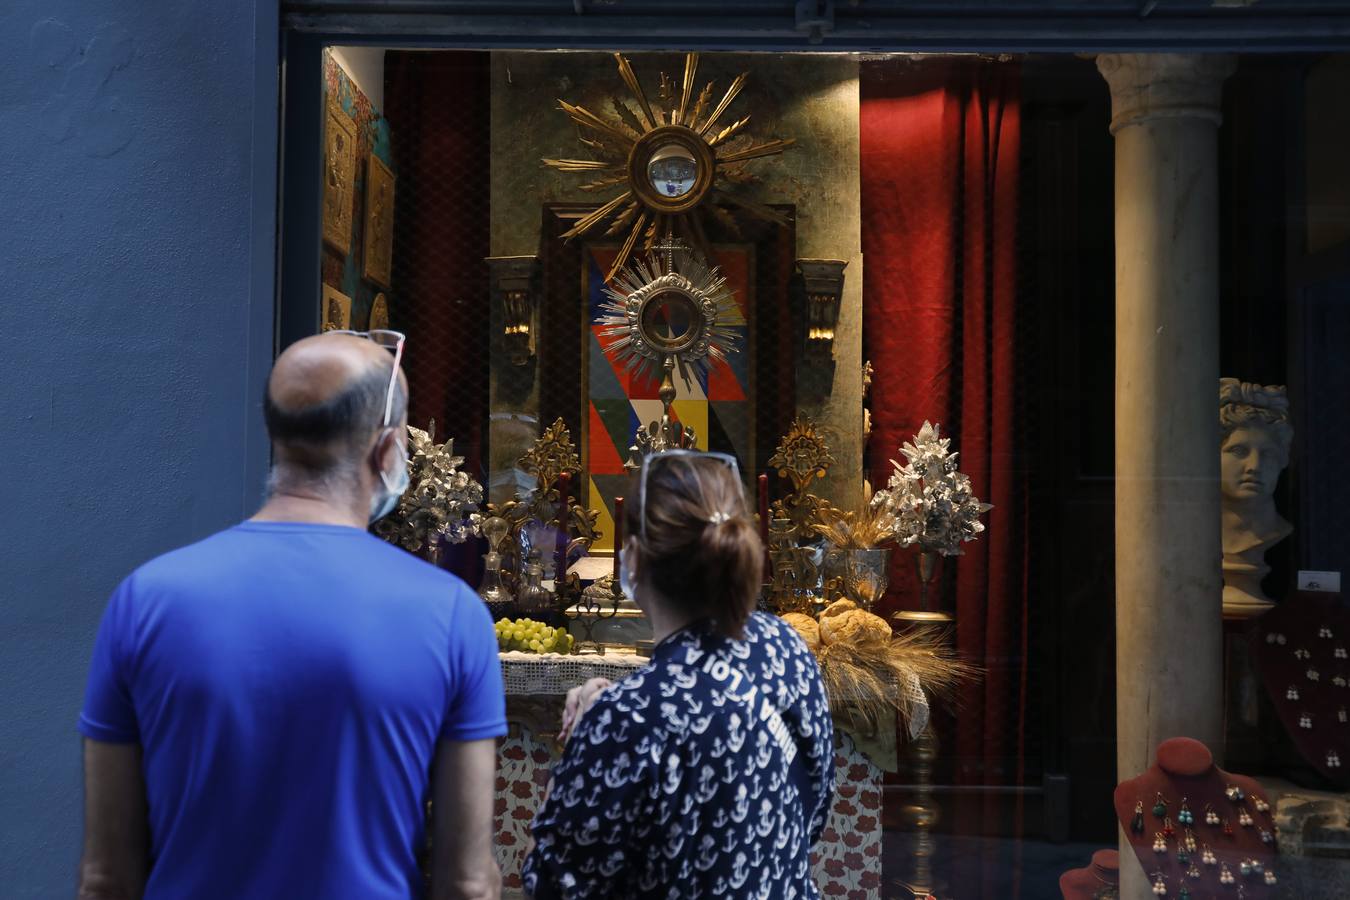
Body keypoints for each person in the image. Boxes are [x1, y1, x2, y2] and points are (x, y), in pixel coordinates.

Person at [77, 331, 506, 900]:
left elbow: (106, 878)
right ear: (386, 452)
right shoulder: (452, 616)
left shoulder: (143, 601)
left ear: (276, 437)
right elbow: (469, 884)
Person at [521, 450, 836, 899]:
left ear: (633, 559)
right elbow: (812, 812)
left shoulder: (624, 718)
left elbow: (553, 882)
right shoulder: (784, 647)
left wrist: (584, 739)